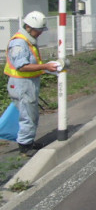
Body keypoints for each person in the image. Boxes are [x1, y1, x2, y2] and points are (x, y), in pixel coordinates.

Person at [3, 11, 58, 157]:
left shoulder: (28, 40)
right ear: (28, 27)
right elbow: (22, 66)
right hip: (21, 83)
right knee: (28, 115)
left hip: (27, 83)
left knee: (30, 113)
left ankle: (28, 141)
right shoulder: (19, 43)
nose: (40, 33)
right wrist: (45, 67)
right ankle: (25, 147)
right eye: (38, 30)